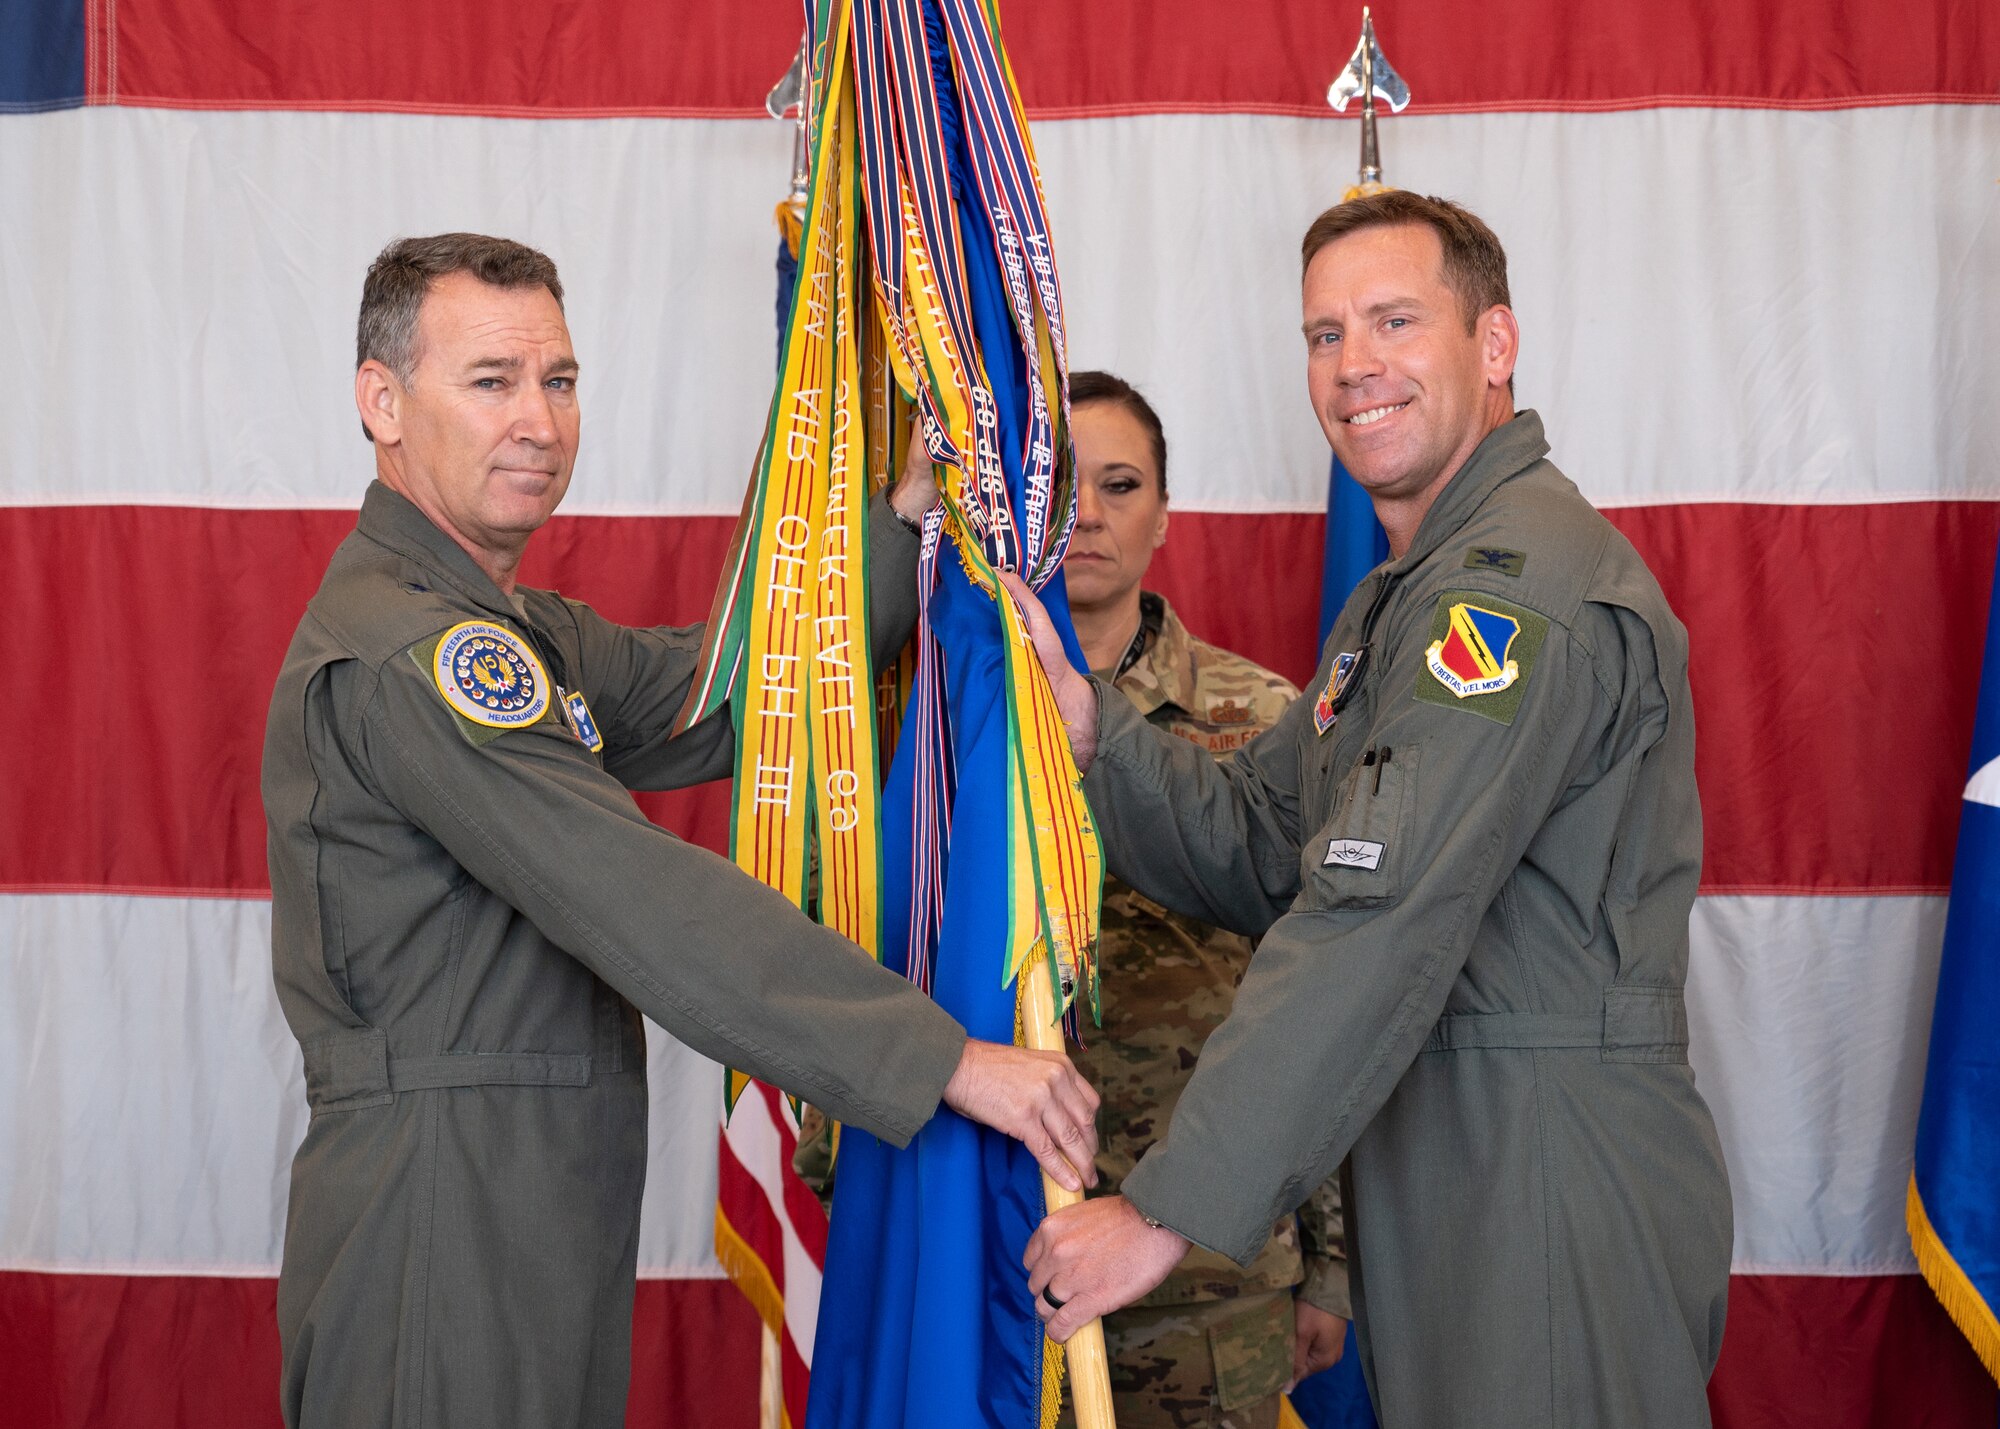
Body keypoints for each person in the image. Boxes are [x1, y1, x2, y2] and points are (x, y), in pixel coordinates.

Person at [261, 233, 1099, 1429]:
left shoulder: (506, 627)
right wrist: (940, 1059)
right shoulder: (422, 655)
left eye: (559, 380)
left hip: (522, 1191)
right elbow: (639, 897)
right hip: (442, 1209)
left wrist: (905, 516)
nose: (540, 422)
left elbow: (727, 696)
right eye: (491, 380)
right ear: (381, 403)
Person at [1015, 193, 1733, 1427]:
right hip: (1449, 1144)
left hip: (1542, 1160)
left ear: (1492, 344)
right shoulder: (1398, 603)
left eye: (1393, 321)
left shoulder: (1508, 602)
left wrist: (1165, 1207)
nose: (1354, 367)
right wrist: (1093, 731)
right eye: (1322, 334)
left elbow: (1369, 915)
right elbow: (1258, 844)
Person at [1054, 371, 1349, 1426]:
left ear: (1164, 514)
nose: (1084, 511)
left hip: (1208, 1265)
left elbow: (1320, 995)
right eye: (1054, 480)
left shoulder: (1266, 718)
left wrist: (1327, 1262)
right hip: (988, 1245)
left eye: (1119, 484)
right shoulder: (932, 722)